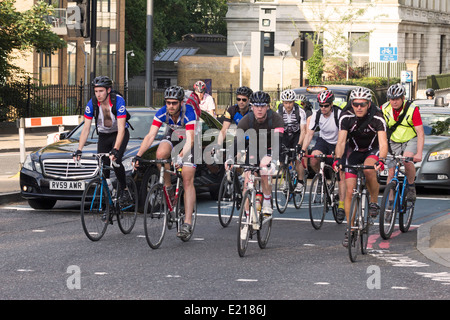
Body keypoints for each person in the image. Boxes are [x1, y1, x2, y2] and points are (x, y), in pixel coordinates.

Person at [133, 85, 198, 239]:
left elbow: (190, 140)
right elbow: (150, 136)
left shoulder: (189, 112)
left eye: (174, 103)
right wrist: (138, 155)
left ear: (181, 103)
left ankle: (187, 223)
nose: (170, 106)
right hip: (173, 136)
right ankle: (168, 187)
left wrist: (181, 157)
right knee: (160, 154)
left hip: (190, 141)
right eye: (168, 102)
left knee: (188, 179)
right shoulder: (162, 112)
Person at [334, 87, 388, 247]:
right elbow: (341, 141)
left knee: (367, 168)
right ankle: (350, 229)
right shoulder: (346, 116)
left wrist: (382, 160)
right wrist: (338, 159)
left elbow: (384, 143)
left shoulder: (378, 117)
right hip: (354, 150)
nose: (358, 107)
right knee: (350, 191)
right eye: (355, 104)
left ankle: (373, 202)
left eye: (362, 104)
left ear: (369, 104)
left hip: (373, 149)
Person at [73, 76, 131, 204]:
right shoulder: (92, 103)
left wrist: (115, 149)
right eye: (96, 91)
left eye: (101, 91)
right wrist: (79, 150)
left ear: (108, 90)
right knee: (103, 168)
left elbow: (121, 129)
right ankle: (108, 203)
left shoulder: (118, 101)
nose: (98, 94)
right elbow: (86, 129)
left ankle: (124, 189)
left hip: (118, 133)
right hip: (104, 135)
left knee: (116, 161)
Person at [228, 91, 285, 216]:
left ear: (267, 107)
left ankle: (266, 201)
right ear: (251, 107)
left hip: (270, 148)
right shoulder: (246, 120)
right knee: (248, 179)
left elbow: (278, 141)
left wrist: (274, 159)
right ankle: (248, 216)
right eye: (256, 106)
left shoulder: (276, 119)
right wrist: (230, 158)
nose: (259, 109)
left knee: (264, 171)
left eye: (262, 106)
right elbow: (238, 141)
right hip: (254, 148)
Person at [301, 90, 346, 220]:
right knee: (314, 159)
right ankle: (320, 177)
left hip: (338, 142)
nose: (323, 108)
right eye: (321, 105)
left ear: (331, 104)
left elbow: (344, 136)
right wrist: (303, 150)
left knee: (340, 173)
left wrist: (339, 154)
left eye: (326, 105)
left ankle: (342, 205)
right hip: (324, 141)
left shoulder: (339, 114)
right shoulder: (317, 115)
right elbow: (309, 134)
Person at [381, 83, 424, 201]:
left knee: (406, 159)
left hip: (410, 139)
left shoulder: (412, 109)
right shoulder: (384, 108)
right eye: (391, 99)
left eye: (397, 99)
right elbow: (380, 130)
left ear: (403, 98)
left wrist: (419, 153)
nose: (394, 102)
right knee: (391, 172)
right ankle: (390, 204)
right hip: (393, 141)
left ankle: (411, 185)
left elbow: (420, 133)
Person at [277, 89, 307, 193]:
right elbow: (277, 129)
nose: (288, 105)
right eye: (285, 102)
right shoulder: (279, 112)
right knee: (282, 159)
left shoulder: (300, 111)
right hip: (285, 135)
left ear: (294, 102)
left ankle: (300, 182)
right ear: (282, 102)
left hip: (296, 135)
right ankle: (286, 180)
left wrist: (299, 144)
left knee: (297, 158)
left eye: (290, 102)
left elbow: (303, 130)